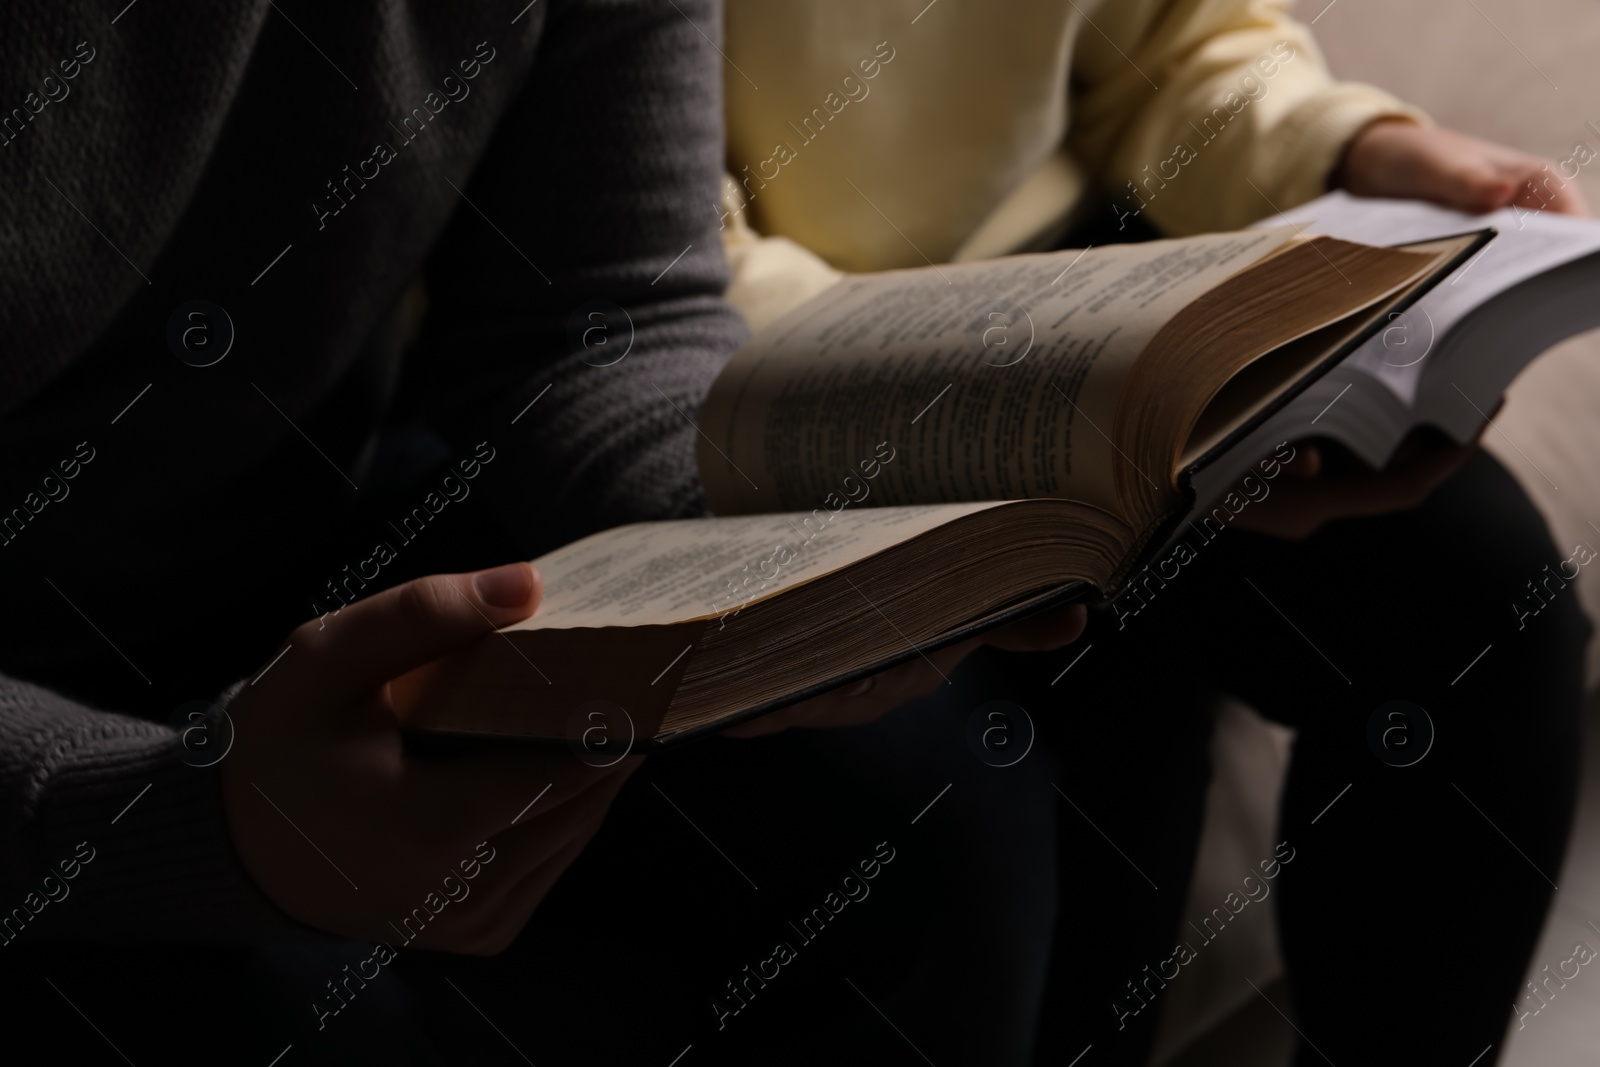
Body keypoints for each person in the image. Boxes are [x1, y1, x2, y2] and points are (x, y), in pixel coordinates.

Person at [0, 3, 1085, 1065]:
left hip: (297, 524)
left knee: (930, 809)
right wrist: (158, 821)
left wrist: (767, 561)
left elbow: (601, 313)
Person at [712, 1, 1591, 1063]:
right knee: (1076, 734)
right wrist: (1025, 383)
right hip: (798, 357)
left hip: (1095, 269)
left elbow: (1172, 41)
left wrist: (1355, 147)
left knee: (1482, 608)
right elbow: (639, 241)